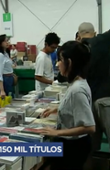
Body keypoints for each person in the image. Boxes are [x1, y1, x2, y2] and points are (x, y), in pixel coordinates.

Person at [39, 41, 95, 170]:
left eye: (60, 60)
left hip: (74, 146)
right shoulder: (76, 83)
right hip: (71, 143)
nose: (57, 64)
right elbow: (76, 106)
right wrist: (57, 108)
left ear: (69, 62)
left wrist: (57, 133)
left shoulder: (77, 90)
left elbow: (89, 127)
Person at [78, 23, 110, 152]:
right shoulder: (104, 40)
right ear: (95, 32)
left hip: (88, 102)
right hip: (106, 98)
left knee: (90, 147)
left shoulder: (79, 49)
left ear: (79, 35)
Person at [0, 34, 15, 99]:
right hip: (4, 80)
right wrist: (2, 90)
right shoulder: (0, 55)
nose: (8, 42)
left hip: (9, 78)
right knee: (6, 100)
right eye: (5, 41)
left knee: (10, 98)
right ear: (0, 43)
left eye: (8, 41)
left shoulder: (5, 53)